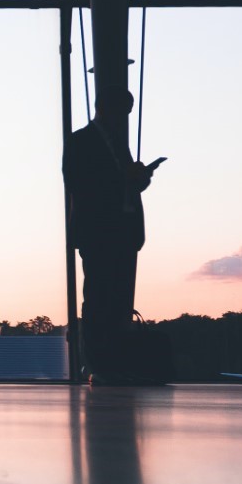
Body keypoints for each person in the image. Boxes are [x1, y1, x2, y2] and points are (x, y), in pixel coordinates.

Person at [64, 83, 161, 380]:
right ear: (106, 107)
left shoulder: (113, 142)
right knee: (99, 299)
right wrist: (126, 178)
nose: (125, 117)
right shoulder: (81, 141)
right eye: (124, 111)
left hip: (118, 232)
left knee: (112, 298)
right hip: (101, 232)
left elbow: (118, 183)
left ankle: (108, 363)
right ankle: (100, 364)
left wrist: (139, 178)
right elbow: (79, 183)